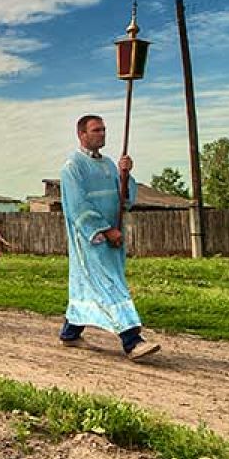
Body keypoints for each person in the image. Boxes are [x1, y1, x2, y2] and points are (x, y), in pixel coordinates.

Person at [59, 115, 160, 361]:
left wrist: (125, 174)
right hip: (91, 241)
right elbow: (77, 206)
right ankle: (132, 341)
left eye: (104, 129)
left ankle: (70, 333)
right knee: (111, 286)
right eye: (96, 130)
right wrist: (104, 230)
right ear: (81, 134)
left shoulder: (108, 165)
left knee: (90, 288)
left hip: (113, 238)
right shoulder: (73, 167)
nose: (102, 134)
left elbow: (124, 199)